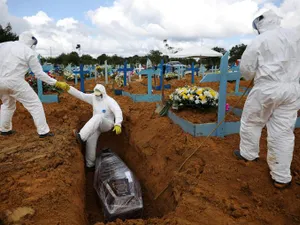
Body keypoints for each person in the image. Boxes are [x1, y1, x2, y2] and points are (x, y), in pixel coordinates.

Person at [233, 10, 300, 189]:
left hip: (267, 88)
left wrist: (254, 74)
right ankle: (281, 177)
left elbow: (246, 70)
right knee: (283, 132)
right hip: (292, 90)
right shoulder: (295, 36)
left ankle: (248, 154)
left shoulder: (260, 40)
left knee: (252, 121)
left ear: (260, 25)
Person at [0, 31, 70, 137]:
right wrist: (56, 83)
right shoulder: (28, 51)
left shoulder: (4, 45)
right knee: (34, 104)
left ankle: (4, 130)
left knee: (7, 104)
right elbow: (39, 74)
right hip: (15, 81)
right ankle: (43, 132)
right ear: (31, 41)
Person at [68, 84, 123, 168]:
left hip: (107, 124)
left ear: (103, 93)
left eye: (98, 95)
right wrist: (68, 88)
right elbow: (80, 95)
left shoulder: (109, 100)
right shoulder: (93, 97)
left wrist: (118, 123)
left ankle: (81, 137)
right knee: (90, 140)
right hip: (96, 125)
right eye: (95, 94)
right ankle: (90, 165)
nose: (96, 96)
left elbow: (117, 110)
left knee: (98, 116)